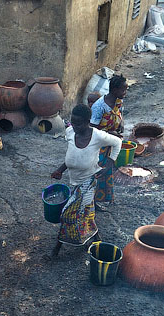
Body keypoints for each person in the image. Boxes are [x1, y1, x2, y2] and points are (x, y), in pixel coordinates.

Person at [49, 104, 122, 258]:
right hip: (74, 182)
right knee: (85, 214)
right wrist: (60, 170)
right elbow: (72, 156)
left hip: (89, 181)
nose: (74, 126)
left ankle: (56, 248)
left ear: (88, 121)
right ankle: (96, 237)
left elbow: (117, 142)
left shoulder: (98, 136)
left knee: (68, 213)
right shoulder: (69, 132)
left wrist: (109, 163)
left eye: (78, 123)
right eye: (72, 122)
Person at [89, 74, 127, 209]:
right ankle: (90, 202)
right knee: (96, 173)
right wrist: (109, 133)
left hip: (110, 144)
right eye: (123, 90)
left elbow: (119, 114)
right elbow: (92, 129)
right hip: (99, 145)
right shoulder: (99, 106)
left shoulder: (118, 101)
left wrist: (121, 123)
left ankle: (98, 201)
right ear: (115, 89)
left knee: (106, 172)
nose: (125, 92)